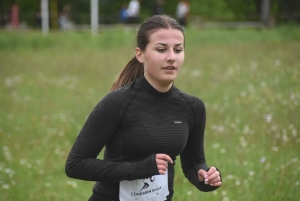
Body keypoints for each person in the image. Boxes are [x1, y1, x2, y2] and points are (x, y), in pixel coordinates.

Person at [65, 15, 222, 201]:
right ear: (140, 54)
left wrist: (205, 176)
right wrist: (138, 169)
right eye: (161, 49)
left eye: (178, 50)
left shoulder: (192, 107)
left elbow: (194, 163)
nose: (171, 57)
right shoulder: (117, 103)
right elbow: (76, 164)